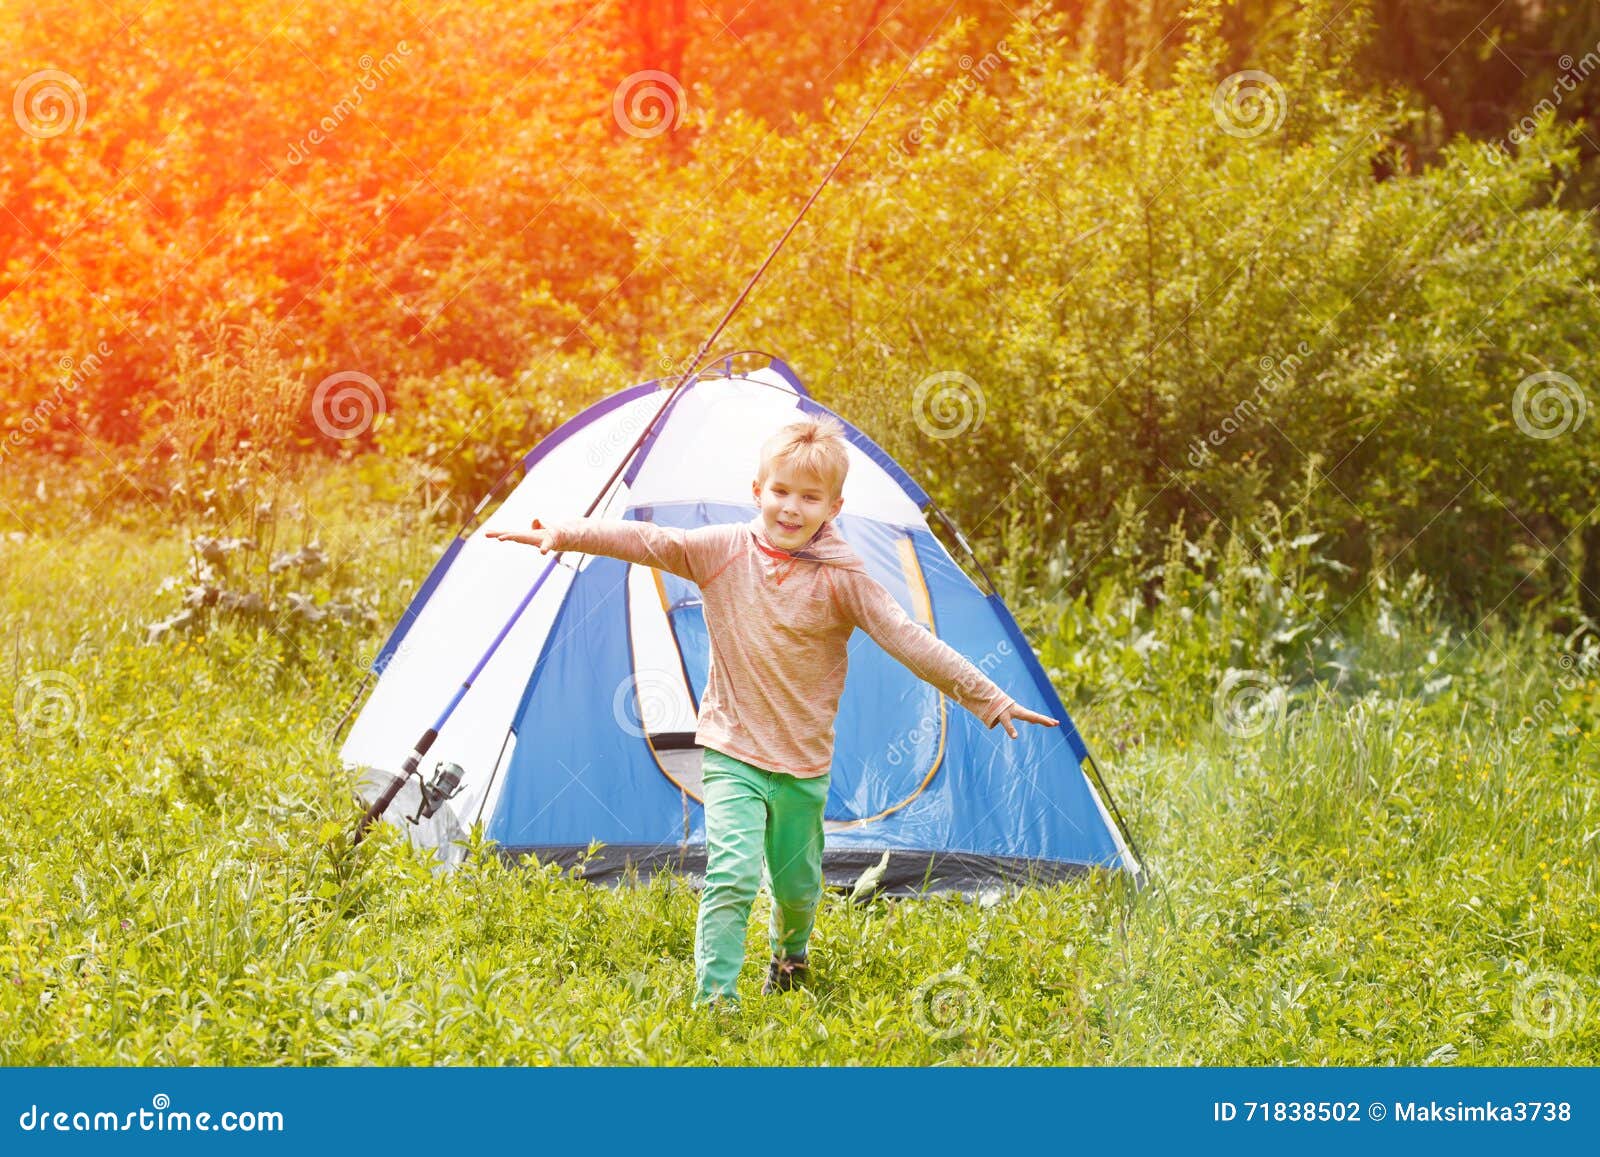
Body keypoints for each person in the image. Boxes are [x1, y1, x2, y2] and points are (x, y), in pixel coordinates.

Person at [487, 415, 1057, 1009]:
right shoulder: (722, 551)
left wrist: (988, 698)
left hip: (803, 763)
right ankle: (716, 1003)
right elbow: (650, 543)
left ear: (833, 506)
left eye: (809, 497)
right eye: (780, 491)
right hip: (731, 749)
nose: (791, 507)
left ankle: (790, 956)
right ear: (757, 491)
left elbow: (909, 639)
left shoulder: (845, 580)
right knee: (731, 874)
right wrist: (565, 532)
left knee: (797, 885)